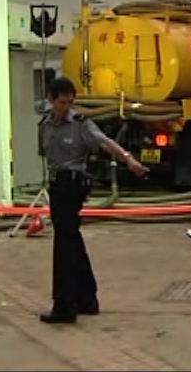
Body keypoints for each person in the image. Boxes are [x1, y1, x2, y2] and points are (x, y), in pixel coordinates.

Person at [38, 76, 149, 324]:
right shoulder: (45, 125)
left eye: (70, 102)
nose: (67, 107)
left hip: (73, 185)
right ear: (51, 100)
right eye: (62, 103)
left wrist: (128, 159)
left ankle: (64, 306)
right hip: (57, 185)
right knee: (71, 240)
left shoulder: (80, 124)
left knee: (64, 245)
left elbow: (104, 142)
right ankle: (87, 299)